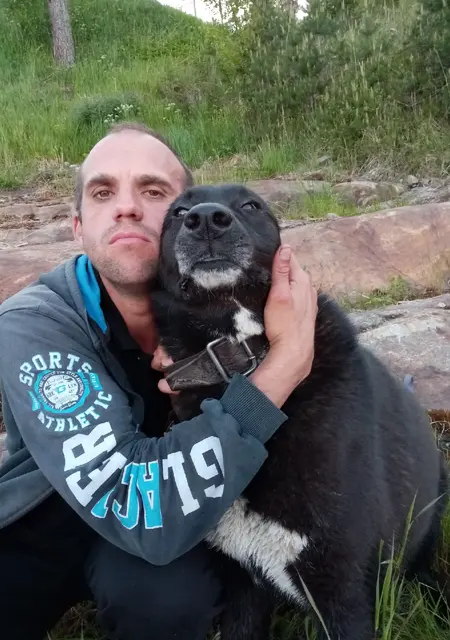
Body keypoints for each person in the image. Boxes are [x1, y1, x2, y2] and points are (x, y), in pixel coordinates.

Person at [0, 122, 318, 640]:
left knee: (169, 602)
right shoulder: (33, 325)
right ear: (77, 226)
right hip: (45, 525)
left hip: (160, 530)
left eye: (154, 193)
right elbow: (134, 502)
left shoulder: (230, 312)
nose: (127, 208)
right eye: (103, 193)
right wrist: (284, 365)